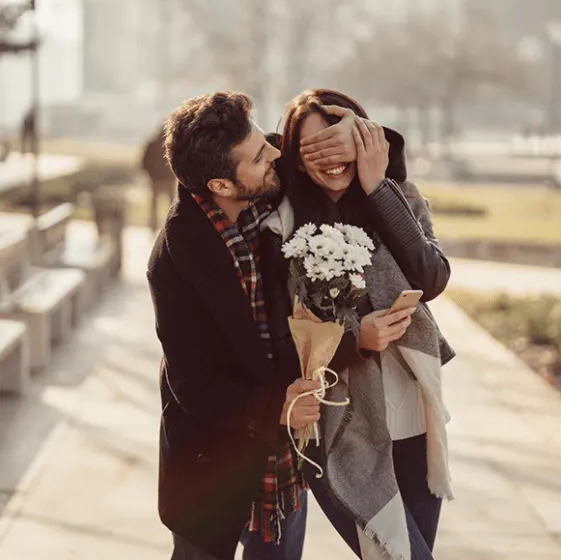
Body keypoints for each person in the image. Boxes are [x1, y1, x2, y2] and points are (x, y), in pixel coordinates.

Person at [147, 92, 353, 560]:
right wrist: (279, 408)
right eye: (260, 155)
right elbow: (193, 387)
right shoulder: (174, 259)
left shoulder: (268, 190)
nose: (276, 154)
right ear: (221, 184)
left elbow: (334, 153)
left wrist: (357, 131)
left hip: (280, 468)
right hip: (210, 467)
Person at [261, 89, 456, 560]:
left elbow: (432, 277)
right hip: (342, 429)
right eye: (314, 149)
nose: (330, 159)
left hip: (413, 419)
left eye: (340, 143)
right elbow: (280, 339)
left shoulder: (397, 199)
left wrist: (377, 184)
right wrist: (355, 340)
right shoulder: (281, 228)